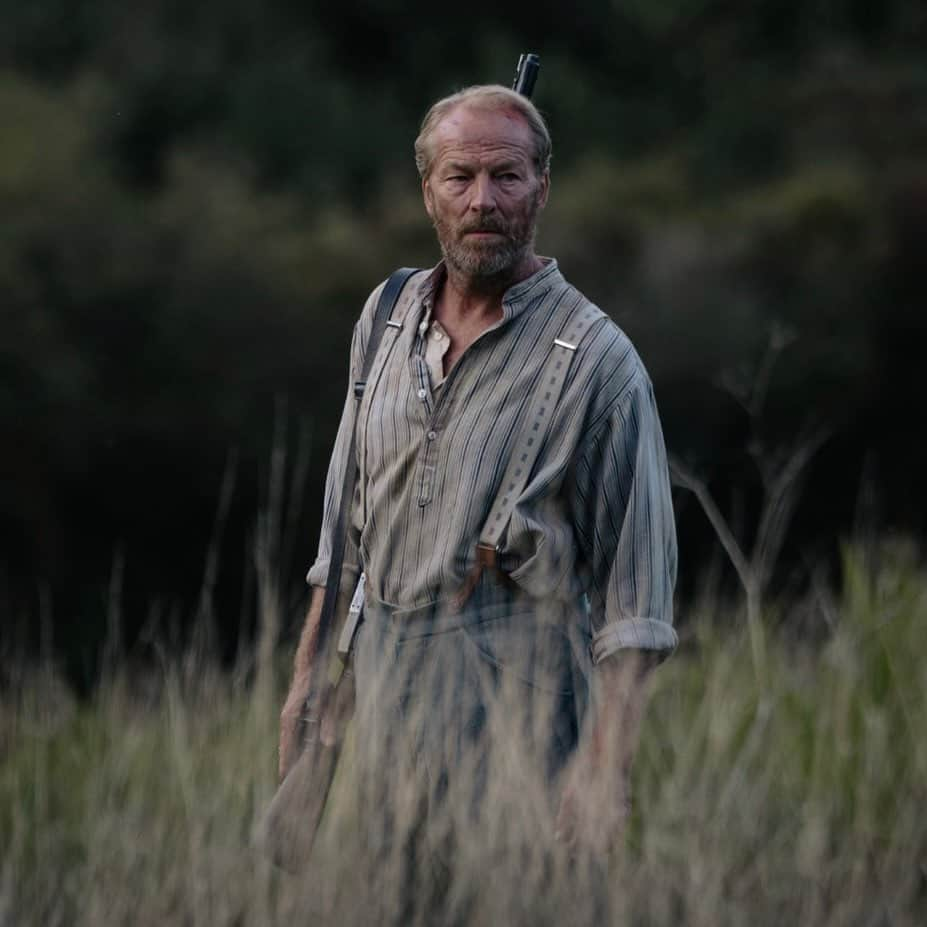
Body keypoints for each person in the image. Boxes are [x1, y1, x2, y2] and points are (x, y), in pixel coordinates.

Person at [278, 84, 677, 914]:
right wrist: (310, 686)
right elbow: (344, 534)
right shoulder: (383, 314)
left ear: (542, 189)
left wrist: (604, 770)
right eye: (459, 177)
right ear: (426, 190)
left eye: (507, 177)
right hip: (387, 704)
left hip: (524, 714)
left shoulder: (599, 362)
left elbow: (636, 603)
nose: (482, 201)